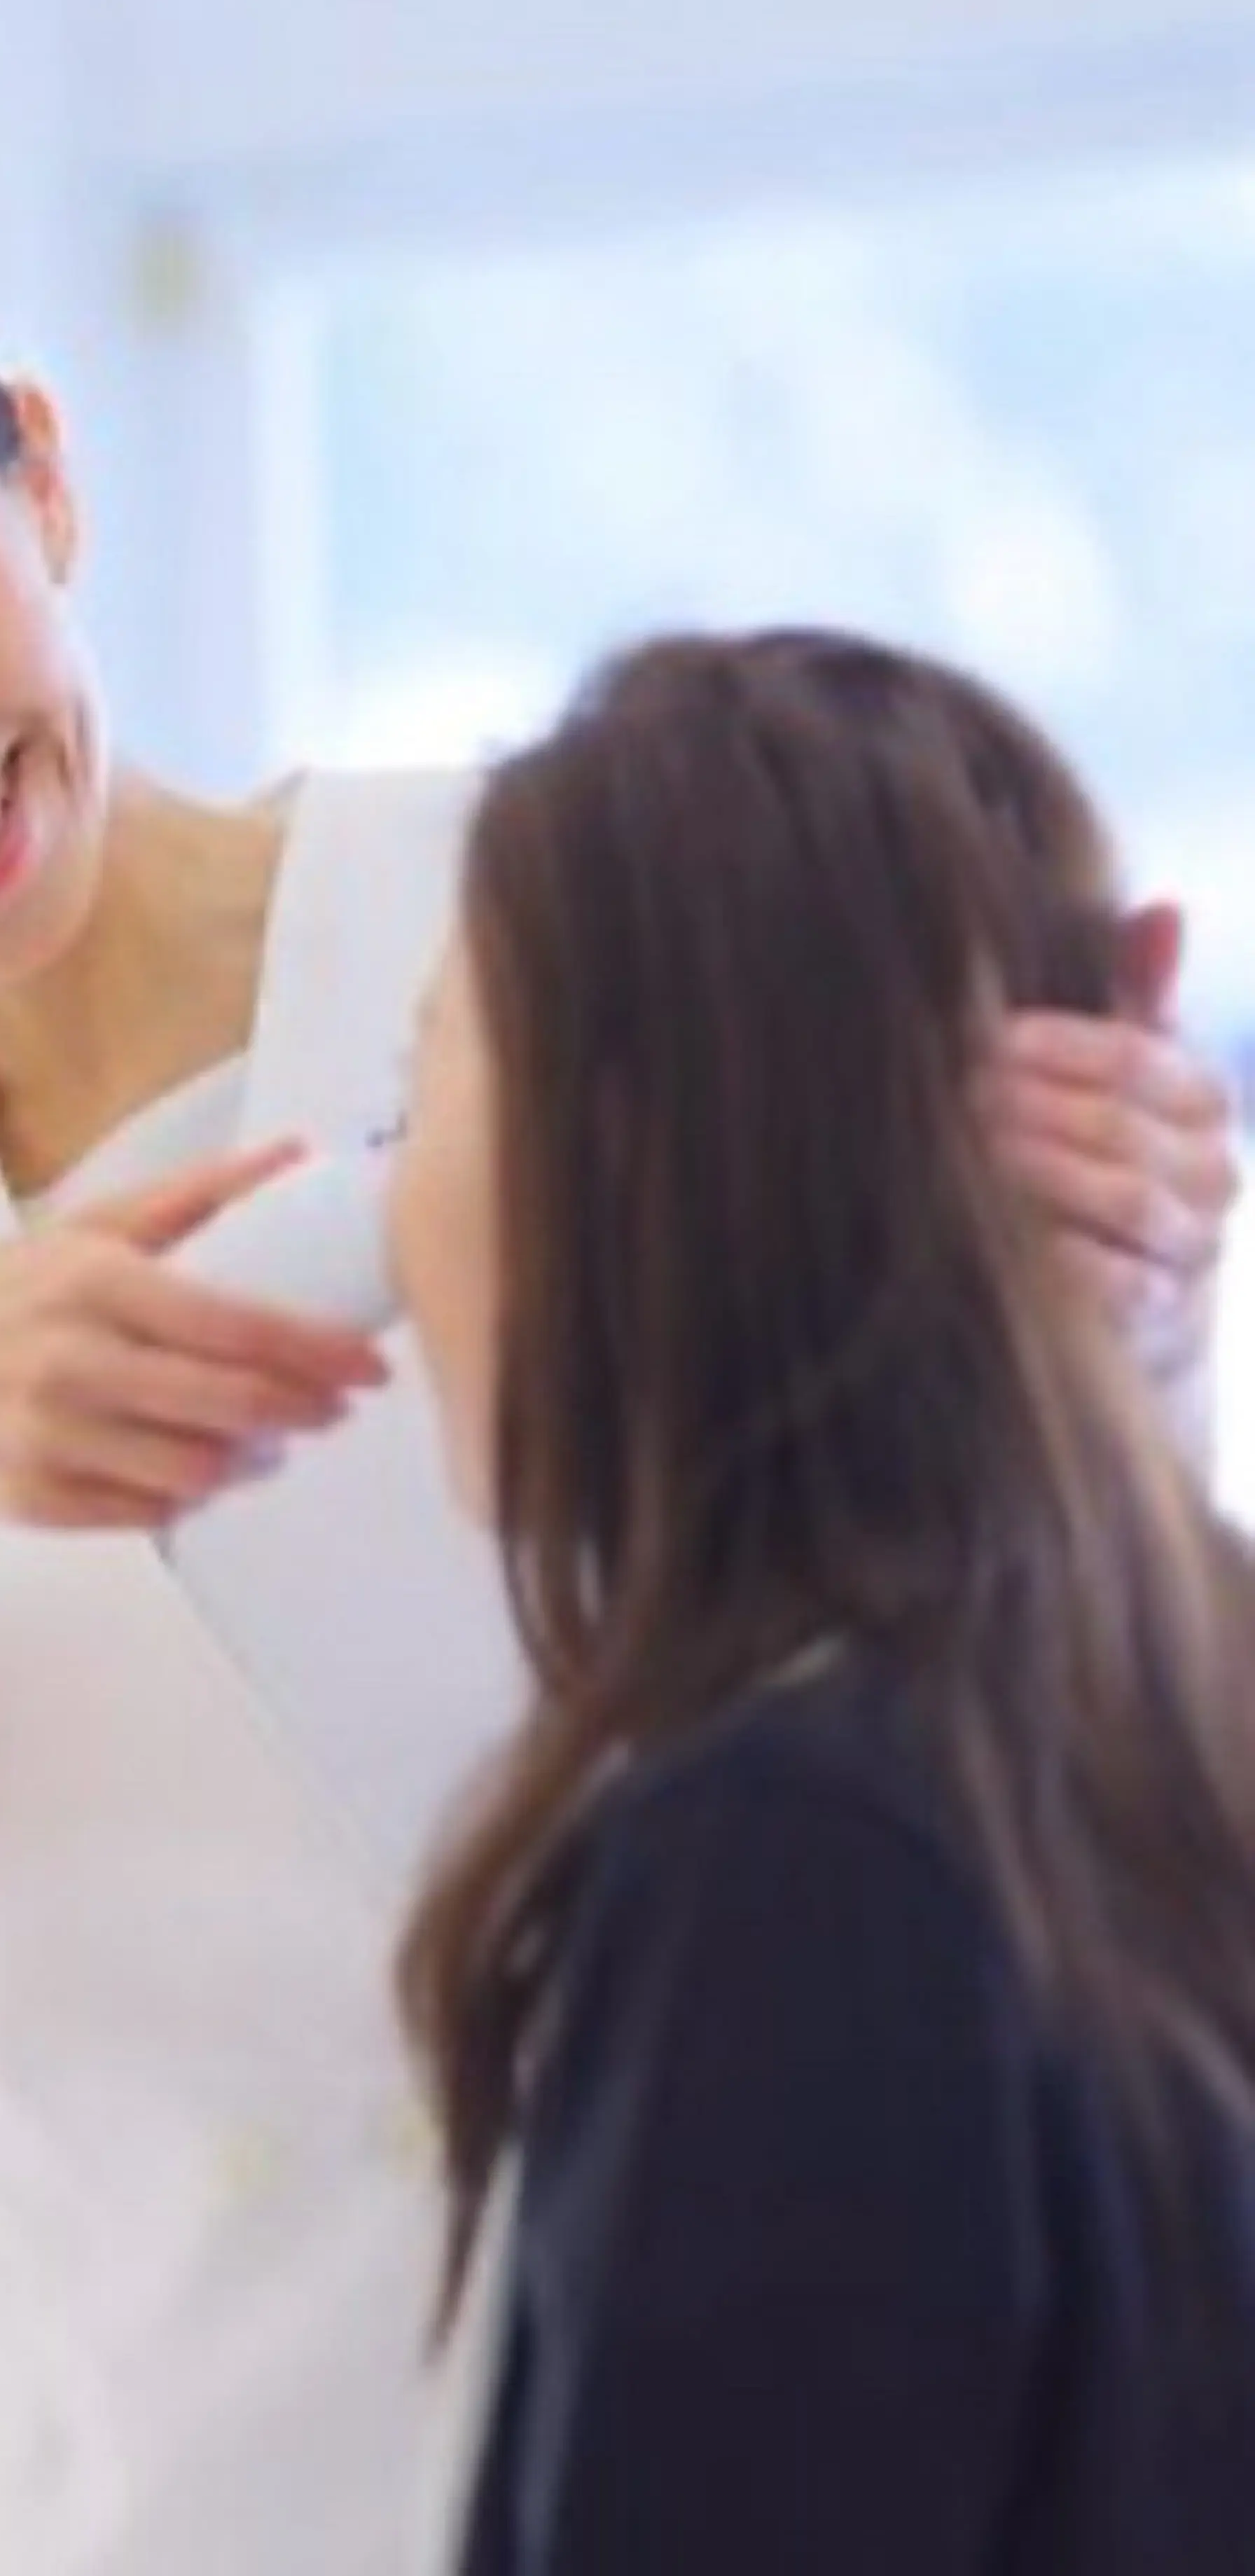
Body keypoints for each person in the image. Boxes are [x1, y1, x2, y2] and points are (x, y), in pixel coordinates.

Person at [0, 134, 1244, 2574]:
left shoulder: (547, 909)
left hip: (754, 2267)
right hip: (164, 2455)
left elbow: (988, 1533)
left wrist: (1139, 1272)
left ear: (40, 475)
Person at [385, 630, 1255, 2575]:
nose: (389, 1208)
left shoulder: (789, 1867)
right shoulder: (1173, 1699)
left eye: (415, 1078)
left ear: (620, 1149)